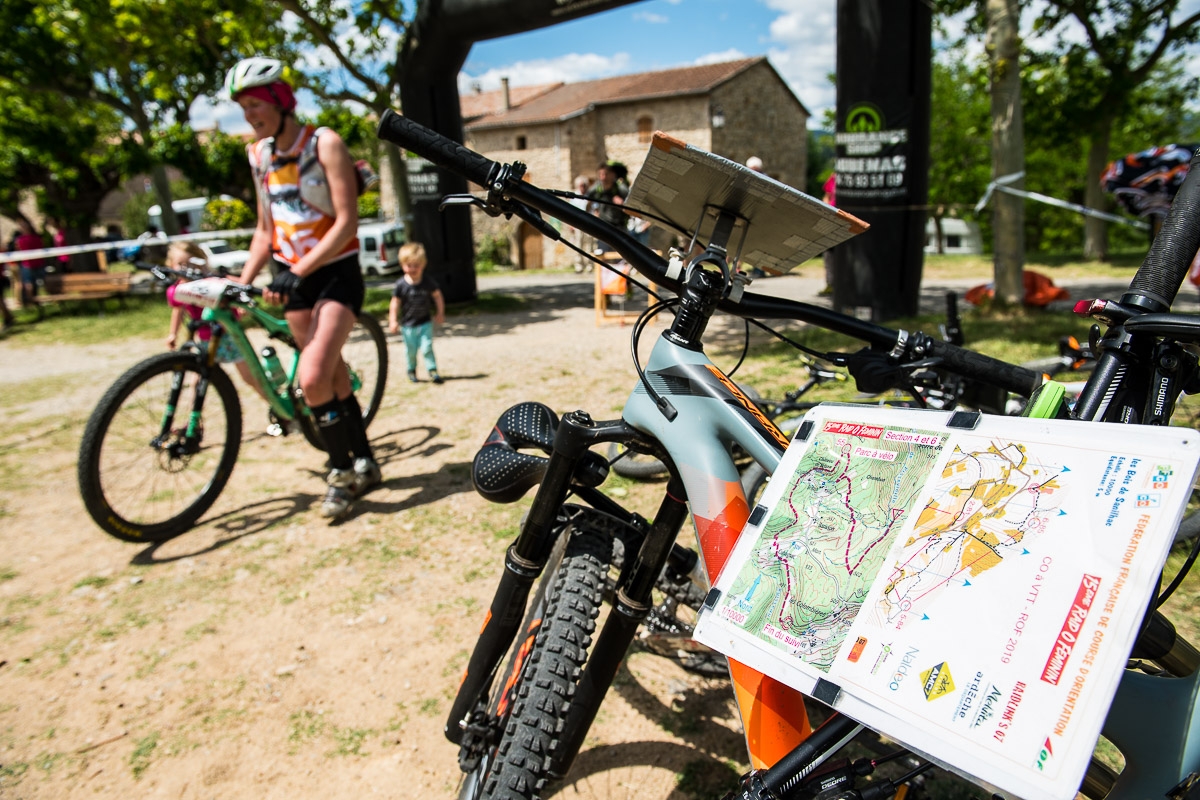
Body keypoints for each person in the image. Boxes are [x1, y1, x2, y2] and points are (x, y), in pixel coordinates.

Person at [226, 56, 379, 520]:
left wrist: (300, 269)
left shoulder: (324, 143)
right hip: (290, 277)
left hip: (334, 273)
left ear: (280, 100)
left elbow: (347, 221)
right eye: (243, 108)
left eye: (256, 104)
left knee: (310, 378)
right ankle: (365, 461)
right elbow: (263, 229)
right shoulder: (259, 155)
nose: (251, 115)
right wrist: (243, 281)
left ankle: (340, 474)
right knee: (330, 377)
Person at [164, 242, 267, 403]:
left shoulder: (212, 282)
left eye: (191, 263)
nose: (186, 269)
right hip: (205, 340)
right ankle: (194, 424)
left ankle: (279, 410)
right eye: (181, 264)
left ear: (201, 261)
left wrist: (242, 303)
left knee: (250, 377)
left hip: (228, 337)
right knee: (196, 381)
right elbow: (178, 311)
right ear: (171, 265)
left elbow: (239, 285)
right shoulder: (180, 291)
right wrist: (172, 334)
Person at [388, 242, 445, 384]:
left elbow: (437, 296)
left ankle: (432, 370)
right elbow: (395, 303)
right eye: (409, 265)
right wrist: (393, 320)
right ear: (402, 265)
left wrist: (440, 312)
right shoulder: (401, 285)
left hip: (425, 322)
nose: (412, 268)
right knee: (411, 350)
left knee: (427, 347)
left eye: (416, 265)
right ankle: (411, 370)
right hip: (408, 325)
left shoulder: (428, 282)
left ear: (423, 264)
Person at [586, 161, 629, 254]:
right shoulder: (596, 188)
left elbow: (632, 208)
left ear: (613, 175)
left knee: (621, 254)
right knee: (603, 254)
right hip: (603, 226)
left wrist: (622, 204)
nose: (603, 177)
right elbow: (586, 201)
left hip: (619, 227)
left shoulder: (621, 189)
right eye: (600, 174)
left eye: (605, 174)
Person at [14, 219, 46, 309]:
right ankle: (36, 301)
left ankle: (30, 301)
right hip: (39, 263)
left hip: (27, 265)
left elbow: (18, 251)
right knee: (42, 282)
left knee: (28, 284)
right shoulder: (37, 238)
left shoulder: (20, 240)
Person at [820, 172, 838, 296]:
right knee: (828, 253)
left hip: (846, 220)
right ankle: (830, 284)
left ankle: (841, 283)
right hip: (832, 219)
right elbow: (826, 196)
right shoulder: (833, 178)